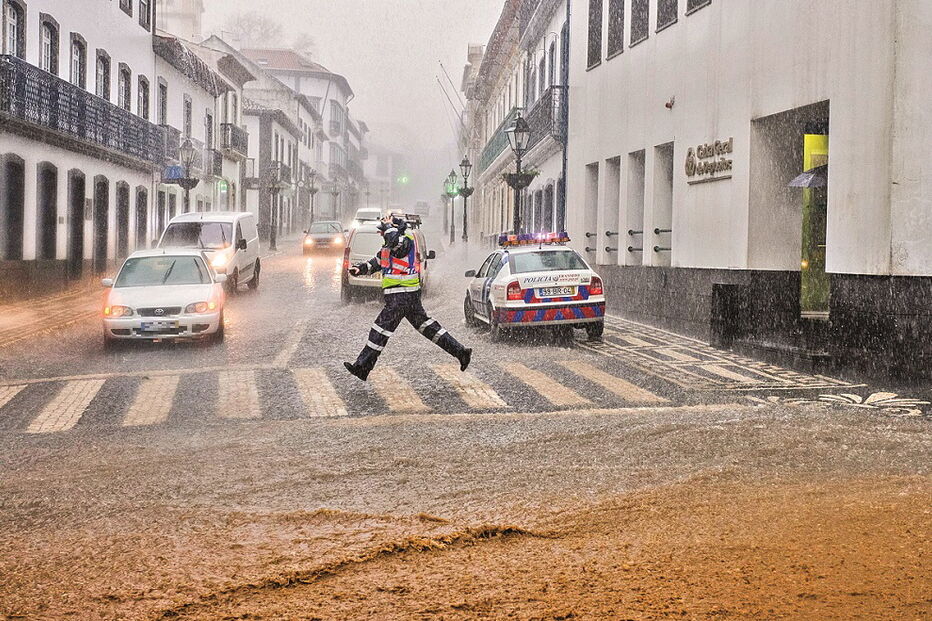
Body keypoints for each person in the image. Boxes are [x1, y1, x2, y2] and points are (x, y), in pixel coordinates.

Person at [344, 215, 472, 381]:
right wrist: (359, 269)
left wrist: (389, 226)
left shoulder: (405, 240)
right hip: (406, 296)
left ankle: (362, 367)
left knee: (379, 331)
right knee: (428, 328)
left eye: (382, 232)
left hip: (401, 295)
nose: (381, 235)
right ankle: (461, 352)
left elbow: (396, 244)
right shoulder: (389, 245)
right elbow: (376, 262)